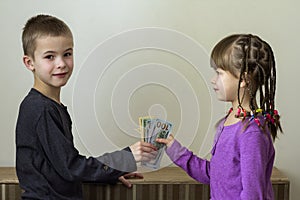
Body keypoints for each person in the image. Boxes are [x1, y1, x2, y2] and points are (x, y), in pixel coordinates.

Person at [16, 14, 157, 200]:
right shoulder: (41, 109)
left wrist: (111, 173)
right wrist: (126, 158)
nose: (61, 64)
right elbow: (71, 167)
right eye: (50, 57)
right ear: (30, 63)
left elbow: (61, 168)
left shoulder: (50, 106)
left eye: (67, 54)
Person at [157, 34, 282, 199]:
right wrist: (175, 149)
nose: (213, 80)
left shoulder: (251, 134)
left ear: (243, 79)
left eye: (219, 73)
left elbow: (252, 196)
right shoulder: (229, 121)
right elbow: (214, 175)